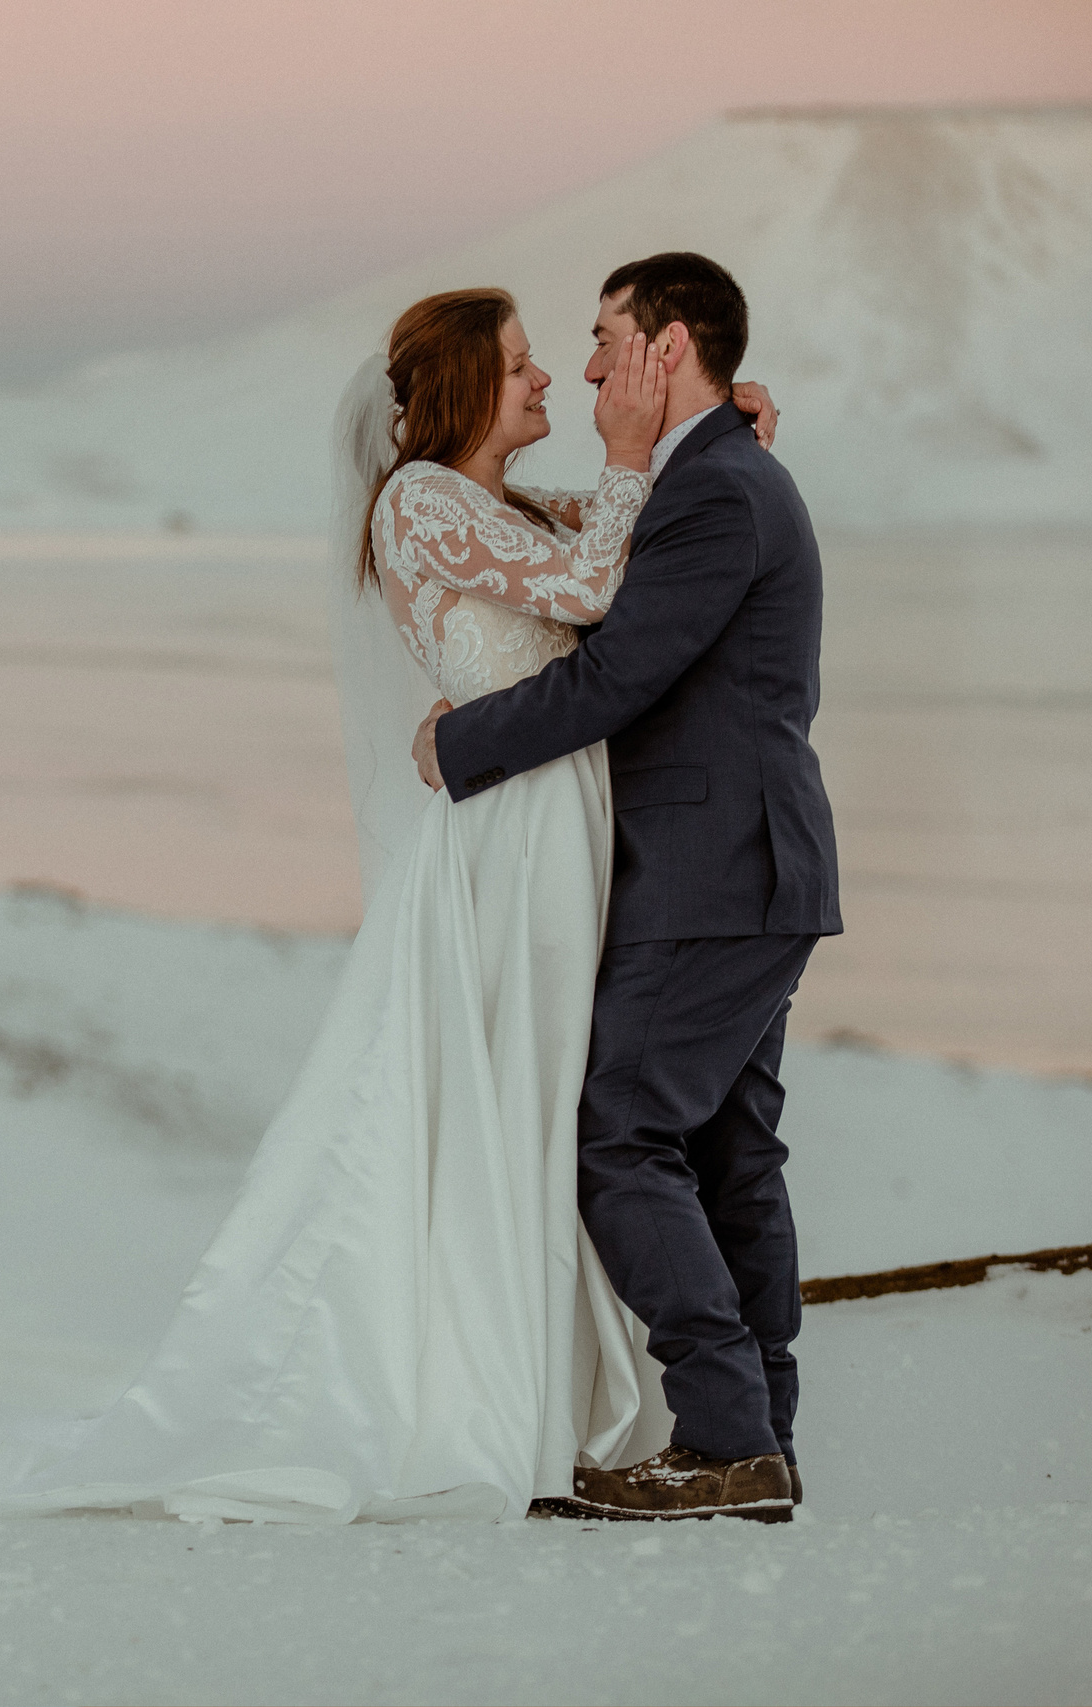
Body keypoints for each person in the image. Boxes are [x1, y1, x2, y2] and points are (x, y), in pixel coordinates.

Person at [0, 279, 792, 1525]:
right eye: (523, 363)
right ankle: (502, 1397)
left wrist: (709, 433)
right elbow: (586, 593)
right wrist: (640, 447)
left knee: (553, 1112)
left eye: (555, 358)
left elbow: (622, 543)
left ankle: (653, 1415)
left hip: (563, 827)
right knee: (535, 1108)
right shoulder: (420, 502)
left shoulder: (495, 504)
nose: (550, 382)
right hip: (517, 838)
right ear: (466, 384)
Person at [416, 252, 840, 1522]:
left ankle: (726, 1438)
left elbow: (618, 680)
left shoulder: (715, 491)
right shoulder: (712, 472)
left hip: (715, 872)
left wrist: (458, 745)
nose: (588, 366)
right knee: (727, 1156)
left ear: (668, 349)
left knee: (616, 1135)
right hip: (743, 869)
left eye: (607, 339)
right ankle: (753, 1438)